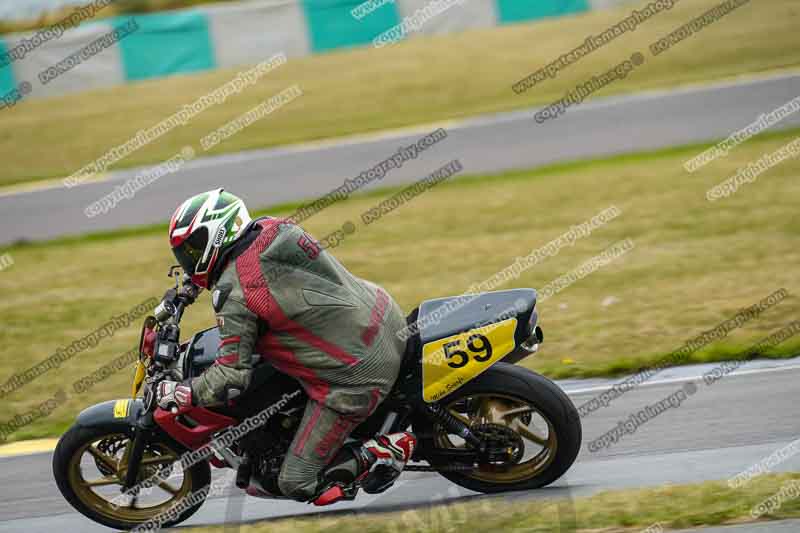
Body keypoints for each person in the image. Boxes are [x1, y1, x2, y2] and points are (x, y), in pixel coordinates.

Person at [155, 188, 416, 505]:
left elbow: (231, 376)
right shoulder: (272, 229)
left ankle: (384, 449)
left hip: (359, 371)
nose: (188, 259)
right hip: (382, 314)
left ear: (217, 236)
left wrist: (185, 392)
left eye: (193, 250)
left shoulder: (235, 294)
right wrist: (190, 287)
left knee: (296, 482)